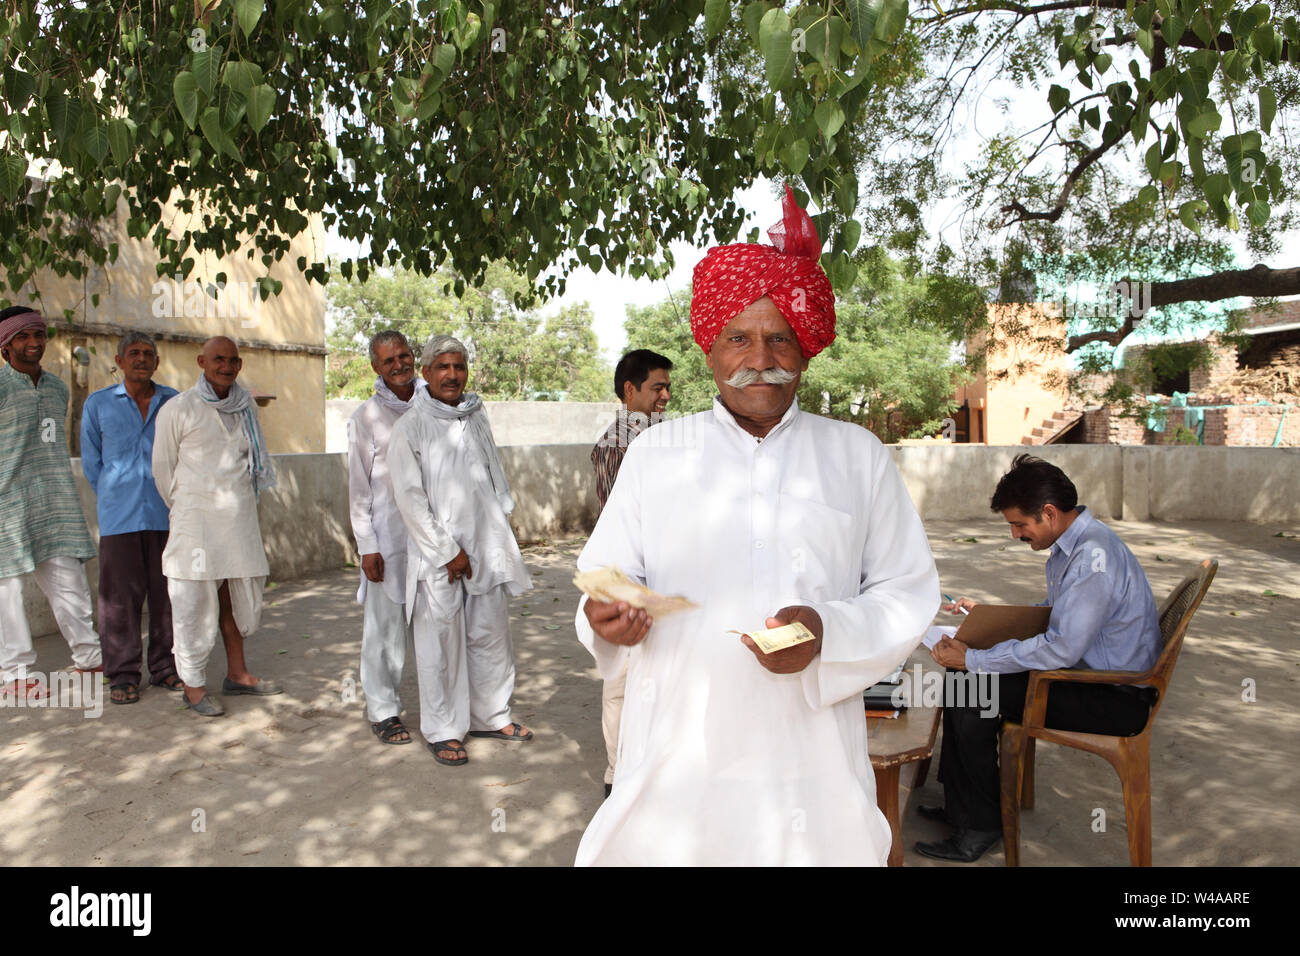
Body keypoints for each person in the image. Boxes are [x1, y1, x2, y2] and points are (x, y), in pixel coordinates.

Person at [573, 186, 940, 865]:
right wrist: (604, 616)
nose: (758, 357)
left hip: (809, 756)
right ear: (710, 350)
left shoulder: (855, 455)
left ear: (806, 349)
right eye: (738, 338)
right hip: (679, 756)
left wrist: (828, 633)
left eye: (779, 338)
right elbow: (607, 579)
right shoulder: (657, 453)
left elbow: (907, 591)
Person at [917, 454, 1162, 863]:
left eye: (1020, 524)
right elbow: (1057, 614)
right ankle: (964, 809)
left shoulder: (1091, 558)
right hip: (1091, 678)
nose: (1015, 534)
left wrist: (976, 658)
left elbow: (1062, 646)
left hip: (1113, 698)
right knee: (964, 685)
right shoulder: (1077, 545)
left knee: (971, 688)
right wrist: (991, 618)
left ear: (1049, 513)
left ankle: (980, 824)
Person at [388, 334, 534, 767]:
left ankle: (491, 715)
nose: (452, 375)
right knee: (440, 642)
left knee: (489, 635)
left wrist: (502, 522)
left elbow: (492, 473)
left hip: (485, 544)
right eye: (443, 367)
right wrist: (446, 550)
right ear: (427, 373)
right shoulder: (410, 426)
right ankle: (443, 730)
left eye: (460, 366)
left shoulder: (474, 415)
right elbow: (410, 499)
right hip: (440, 555)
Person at [152, 336, 282, 717]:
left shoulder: (246, 409)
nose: (226, 367)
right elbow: (163, 472)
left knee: (236, 599)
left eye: (232, 361)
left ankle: (238, 675)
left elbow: (253, 464)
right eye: (218, 360)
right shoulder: (179, 409)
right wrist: (190, 509)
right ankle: (193, 687)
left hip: (238, 521)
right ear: (202, 362)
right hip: (195, 525)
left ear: (239, 366)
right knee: (193, 605)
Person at [0, 306, 103, 698]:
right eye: (23, 337)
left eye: (39, 335)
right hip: (7, 505)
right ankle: (15, 676)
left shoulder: (59, 388)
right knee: (7, 592)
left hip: (55, 502)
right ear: (6, 346)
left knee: (70, 584)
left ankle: (90, 660)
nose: (33, 343)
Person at [589, 348, 673, 798]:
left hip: (655, 568)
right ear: (630, 390)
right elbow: (622, 515)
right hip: (623, 568)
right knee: (622, 678)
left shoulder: (660, 434)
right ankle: (617, 775)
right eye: (657, 387)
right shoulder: (623, 440)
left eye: (666, 387)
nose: (665, 395)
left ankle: (643, 768)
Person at [81, 332, 181, 704]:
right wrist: (115, 493)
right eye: (133, 353)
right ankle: (122, 674)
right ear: (120, 361)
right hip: (119, 517)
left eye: (148, 354)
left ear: (156, 362)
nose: (141, 359)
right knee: (118, 601)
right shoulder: (99, 405)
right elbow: (93, 464)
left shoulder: (174, 402)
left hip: (168, 514)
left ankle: (166, 668)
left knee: (167, 597)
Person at [348, 330, 423, 745]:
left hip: (435, 539)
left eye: (404, 355)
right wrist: (367, 546)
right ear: (376, 367)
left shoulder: (436, 404)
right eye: (388, 360)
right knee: (384, 631)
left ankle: (442, 707)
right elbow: (359, 489)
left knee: (436, 625)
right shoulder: (366, 417)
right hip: (389, 538)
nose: (398, 365)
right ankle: (383, 710)